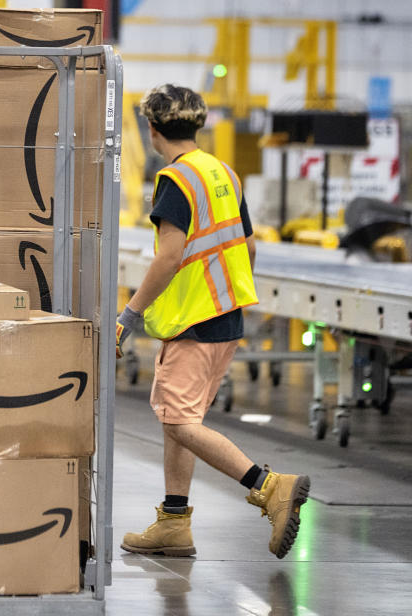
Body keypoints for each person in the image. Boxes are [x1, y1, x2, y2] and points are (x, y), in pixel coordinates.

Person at [116, 84, 311, 560]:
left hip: (194, 319)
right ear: (197, 124)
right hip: (225, 316)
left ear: (153, 128)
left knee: (178, 420)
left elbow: (168, 257)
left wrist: (130, 314)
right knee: (181, 420)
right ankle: (174, 522)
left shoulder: (175, 180)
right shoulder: (223, 172)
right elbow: (249, 246)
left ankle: (269, 487)